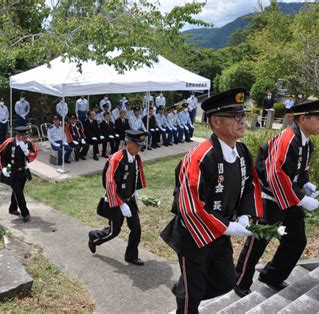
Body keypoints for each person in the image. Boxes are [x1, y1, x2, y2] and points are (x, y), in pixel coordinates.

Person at [160, 87, 263, 313]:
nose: (242, 121)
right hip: (195, 234)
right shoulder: (200, 157)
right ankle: (186, 297)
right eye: (235, 116)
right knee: (192, 294)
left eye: (243, 115)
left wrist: (245, 215)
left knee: (226, 281)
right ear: (216, 122)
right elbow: (189, 205)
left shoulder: (242, 152)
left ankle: (183, 288)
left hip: (220, 232)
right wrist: (227, 226)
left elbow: (250, 185)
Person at [234, 98, 319, 297]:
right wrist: (301, 199)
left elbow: (299, 170)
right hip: (267, 197)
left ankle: (272, 276)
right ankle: (240, 281)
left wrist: (305, 184)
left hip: (288, 198)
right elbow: (274, 174)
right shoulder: (287, 139)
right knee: (258, 240)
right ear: (303, 119)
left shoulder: (306, 142)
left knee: (296, 239)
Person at [88, 130, 148, 266]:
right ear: (128, 143)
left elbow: (135, 176)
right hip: (116, 200)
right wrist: (120, 204)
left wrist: (134, 192)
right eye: (137, 145)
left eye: (140, 145)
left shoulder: (136, 158)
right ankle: (94, 237)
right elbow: (109, 183)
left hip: (129, 199)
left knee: (136, 229)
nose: (140, 148)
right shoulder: (117, 158)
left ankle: (131, 256)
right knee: (114, 232)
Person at [0, 126, 38, 222]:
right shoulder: (9, 143)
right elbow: (1, 155)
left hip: (23, 172)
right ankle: (25, 213)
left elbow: (33, 154)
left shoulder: (28, 143)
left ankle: (12, 208)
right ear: (17, 135)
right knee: (19, 193)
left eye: (25, 136)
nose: (24, 138)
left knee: (18, 191)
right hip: (12, 172)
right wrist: (4, 168)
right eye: (21, 136)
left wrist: (27, 152)